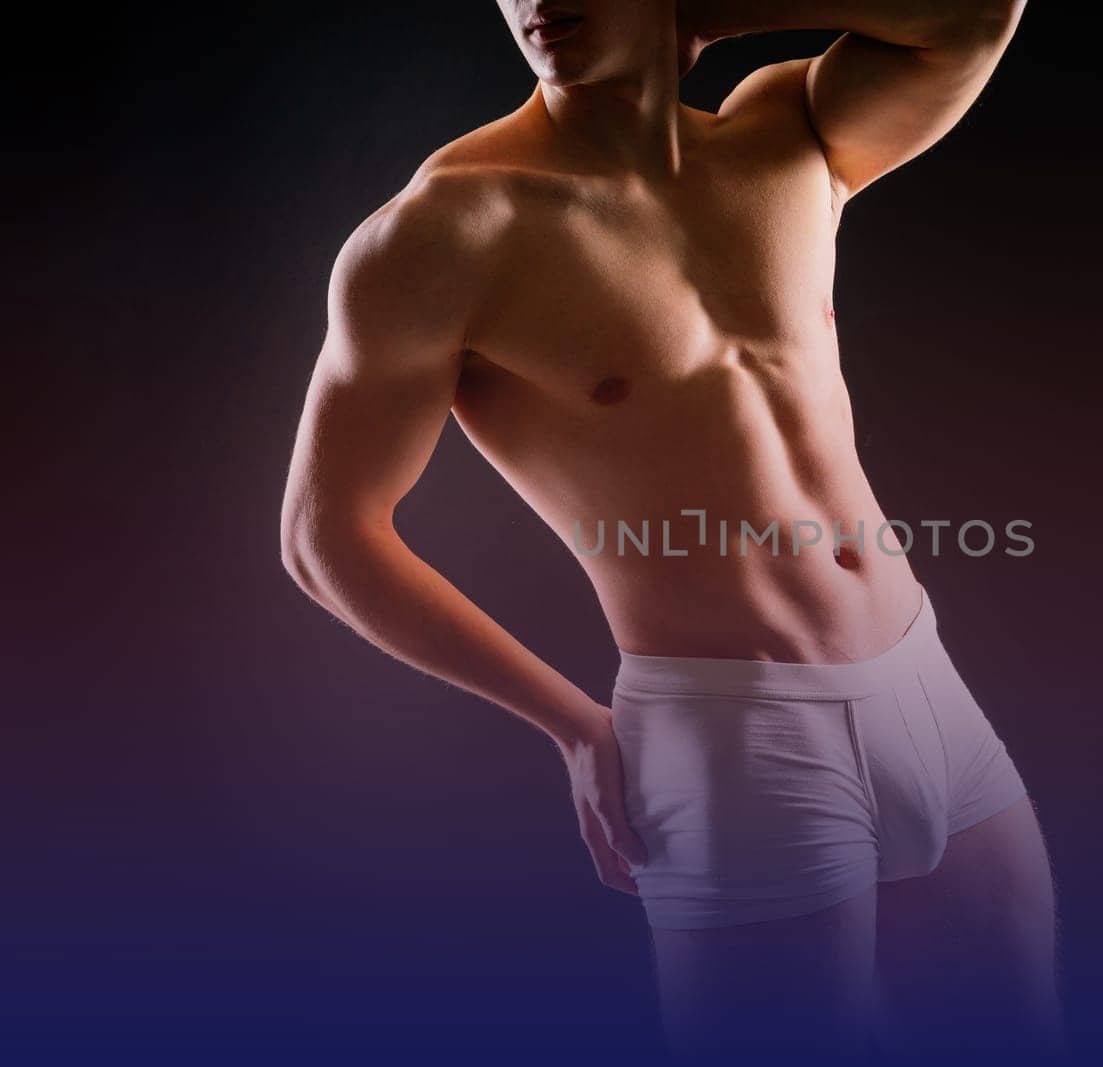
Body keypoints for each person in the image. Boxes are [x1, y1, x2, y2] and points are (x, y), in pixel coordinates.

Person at [279, 1, 1061, 1061]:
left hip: (922, 685)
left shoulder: (791, 134)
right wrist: (573, 724)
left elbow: (971, 15)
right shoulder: (449, 230)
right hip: (735, 737)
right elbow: (326, 537)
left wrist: (706, 11)